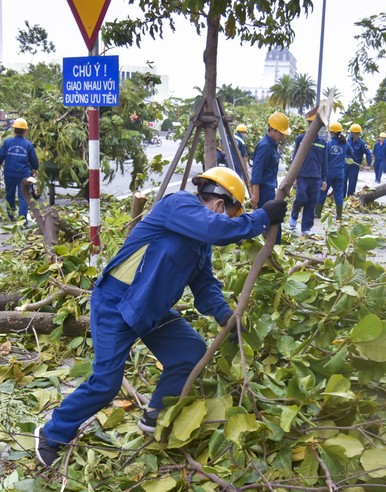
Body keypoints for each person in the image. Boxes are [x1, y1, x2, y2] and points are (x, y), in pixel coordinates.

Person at [34, 167, 288, 466]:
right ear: (220, 204)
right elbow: (218, 230)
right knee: (106, 383)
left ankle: (154, 416)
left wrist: (226, 317)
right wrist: (261, 218)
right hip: (116, 304)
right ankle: (52, 433)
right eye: (231, 215)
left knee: (190, 351)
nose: (227, 221)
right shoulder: (178, 205)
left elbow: (205, 285)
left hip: (151, 310)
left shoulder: (200, 244)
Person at [251, 112, 290, 244]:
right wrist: (255, 194)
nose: (282, 136)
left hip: (269, 188)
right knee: (270, 219)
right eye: (281, 133)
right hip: (264, 190)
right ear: (272, 129)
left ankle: (274, 247)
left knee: (274, 219)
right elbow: (257, 171)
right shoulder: (265, 146)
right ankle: (271, 246)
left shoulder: (271, 145)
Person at [0, 117, 39, 224]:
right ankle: (22, 221)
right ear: (25, 131)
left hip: (9, 173)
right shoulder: (28, 144)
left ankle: (11, 216)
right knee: (23, 197)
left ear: (14, 130)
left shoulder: (7, 142)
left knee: (10, 195)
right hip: (23, 175)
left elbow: (0, 155)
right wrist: (35, 169)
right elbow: (33, 159)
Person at [289, 116, 327, 236]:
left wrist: (324, 179)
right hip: (302, 175)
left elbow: (324, 162)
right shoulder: (300, 139)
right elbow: (295, 158)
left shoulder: (322, 142)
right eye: (311, 123)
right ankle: (293, 218)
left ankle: (306, 227)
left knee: (312, 202)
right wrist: (293, 176)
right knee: (301, 197)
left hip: (316, 177)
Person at [321, 122, 353, 222]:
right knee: (339, 194)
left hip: (329, 173)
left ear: (332, 133)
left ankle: (317, 214)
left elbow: (324, 158)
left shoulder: (328, 144)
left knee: (322, 192)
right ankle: (339, 216)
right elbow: (351, 152)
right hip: (340, 173)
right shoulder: (345, 144)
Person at [344, 123, 372, 197]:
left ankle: (350, 198)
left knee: (352, 184)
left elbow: (368, 154)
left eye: (351, 132)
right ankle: (342, 198)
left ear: (356, 133)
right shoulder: (347, 141)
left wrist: (368, 164)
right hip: (345, 165)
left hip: (354, 167)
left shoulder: (362, 143)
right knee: (343, 183)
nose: (350, 134)